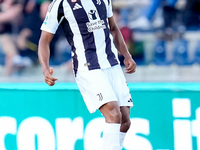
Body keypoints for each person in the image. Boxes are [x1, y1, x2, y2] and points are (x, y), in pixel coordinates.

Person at [38, 0, 136, 149]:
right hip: (88, 66)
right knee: (114, 114)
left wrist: (127, 55)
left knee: (125, 121)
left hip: (112, 64)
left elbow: (114, 28)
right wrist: (45, 69)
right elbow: (44, 40)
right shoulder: (60, 4)